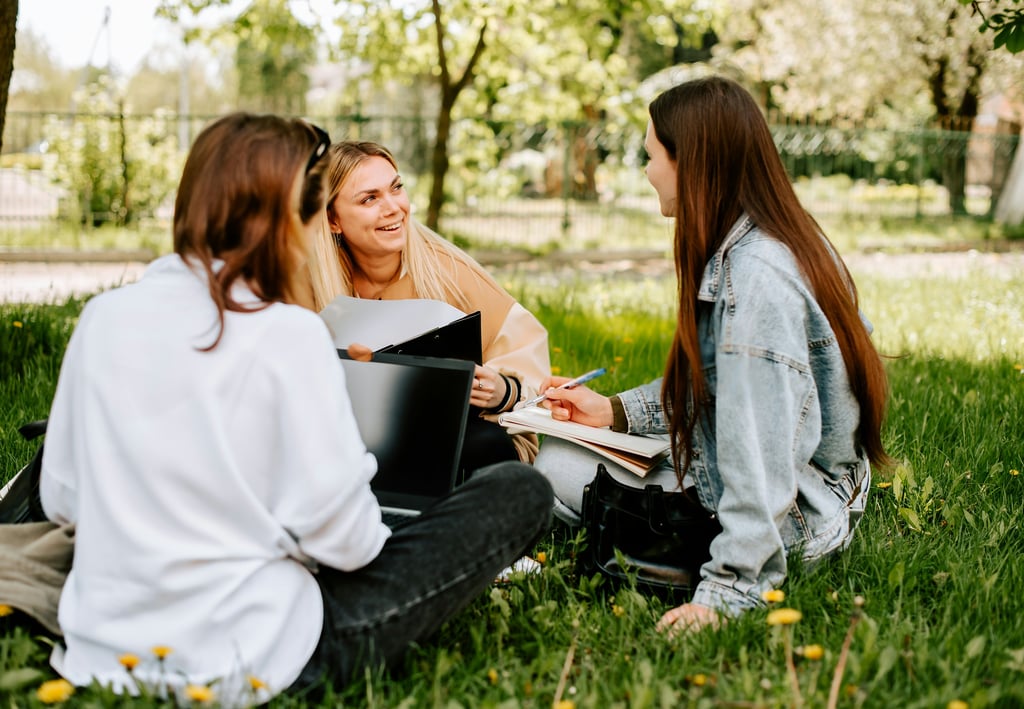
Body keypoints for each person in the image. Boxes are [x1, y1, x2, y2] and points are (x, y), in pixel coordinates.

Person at [39, 113, 553, 705]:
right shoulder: (288, 333)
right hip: (254, 654)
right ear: (299, 219)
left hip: (102, 649)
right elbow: (348, 544)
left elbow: (62, 500)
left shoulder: (102, 317)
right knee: (519, 492)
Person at [533, 76, 890, 634]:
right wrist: (613, 412)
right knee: (559, 451)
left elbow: (761, 454)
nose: (647, 171)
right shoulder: (768, 241)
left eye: (651, 156)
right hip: (819, 482)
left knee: (547, 465)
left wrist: (728, 592)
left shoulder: (755, 283)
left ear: (690, 165)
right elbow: (723, 388)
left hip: (799, 512)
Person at [305, 141, 550, 471]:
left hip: (454, 433)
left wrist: (502, 390)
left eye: (396, 188)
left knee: (483, 446)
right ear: (332, 220)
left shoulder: (450, 273)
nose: (393, 207)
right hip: (350, 430)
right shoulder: (310, 282)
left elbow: (529, 365)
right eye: (369, 198)